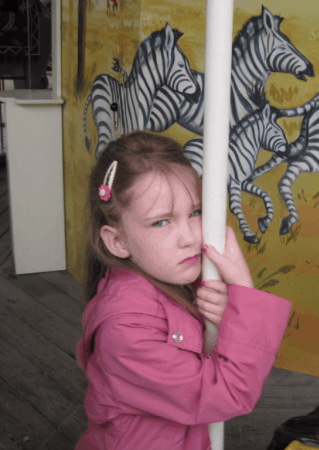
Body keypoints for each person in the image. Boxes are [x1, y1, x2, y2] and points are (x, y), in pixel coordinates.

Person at [75, 131, 292, 450]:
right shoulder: (125, 330)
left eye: (195, 212)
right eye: (161, 222)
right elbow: (228, 392)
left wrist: (230, 317)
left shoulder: (179, 282)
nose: (190, 236)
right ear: (118, 242)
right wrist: (244, 290)